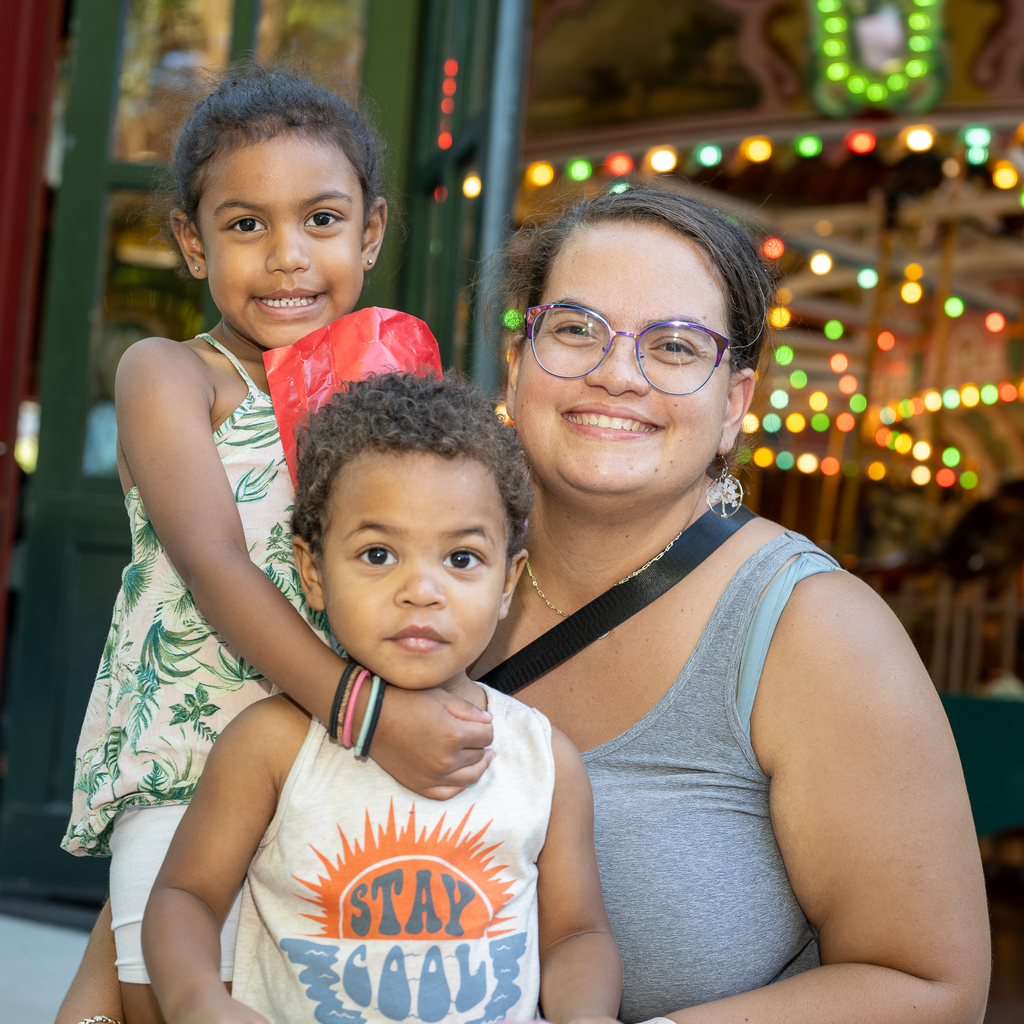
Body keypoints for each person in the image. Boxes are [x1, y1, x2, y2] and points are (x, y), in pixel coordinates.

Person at [472, 186, 992, 1023]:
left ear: (734, 407)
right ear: (519, 364)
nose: (615, 372)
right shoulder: (412, 571)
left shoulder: (814, 629)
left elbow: (933, 985)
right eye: (575, 329)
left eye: (674, 347)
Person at [57, 66, 497, 1024]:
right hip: (192, 763)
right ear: (191, 240)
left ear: (371, 232)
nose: (288, 256)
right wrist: (367, 711)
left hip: (331, 778)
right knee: (175, 1002)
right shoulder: (172, 376)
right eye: (246, 225)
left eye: (323, 220)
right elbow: (214, 557)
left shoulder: (391, 397)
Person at [140, 372, 621, 1024]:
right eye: (377, 553)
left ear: (508, 581)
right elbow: (185, 896)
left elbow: (576, 936)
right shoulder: (274, 746)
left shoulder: (543, 759)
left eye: (460, 559)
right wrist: (197, 996)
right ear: (313, 572)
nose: (421, 590)